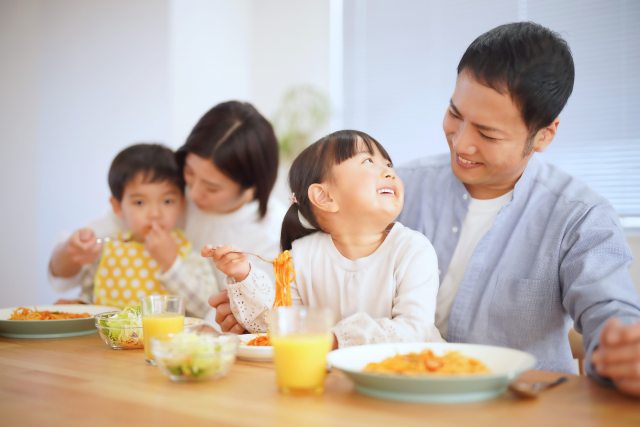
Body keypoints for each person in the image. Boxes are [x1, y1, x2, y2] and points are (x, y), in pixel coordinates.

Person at [209, 23, 640, 397]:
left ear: (543, 136)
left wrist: (624, 353)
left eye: (487, 133)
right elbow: (295, 288)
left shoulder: (580, 217)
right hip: (375, 396)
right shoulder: (393, 188)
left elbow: (613, 321)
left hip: (517, 405)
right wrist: (254, 304)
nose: (461, 143)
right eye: (455, 114)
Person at [48, 102, 286, 324]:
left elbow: (263, 319)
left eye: (211, 187)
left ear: (251, 185)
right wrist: (74, 249)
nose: (193, 193)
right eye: (189, 173)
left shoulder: (274, 233)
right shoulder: (165, 195)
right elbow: (69, 264)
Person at [203, 130, 443, 348]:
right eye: (368, 161)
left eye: (388, 163)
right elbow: (280, 327)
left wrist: (336, 339)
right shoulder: (299, 258)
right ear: (324, 196)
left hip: (418, 377)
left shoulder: (413, 250)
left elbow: (414, 329)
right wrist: (244, 275)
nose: (389, 170)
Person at [49, 143, 217, 317]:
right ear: (118, 207)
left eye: (167, 201)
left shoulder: (188, 254)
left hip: (164, 343)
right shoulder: (108, 248)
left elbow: (208, 310)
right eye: (139, 202)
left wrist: (171, 263)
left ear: (182, 203)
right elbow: (94, 294)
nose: (154, 214)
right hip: (108, 343)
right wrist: (80, 304)